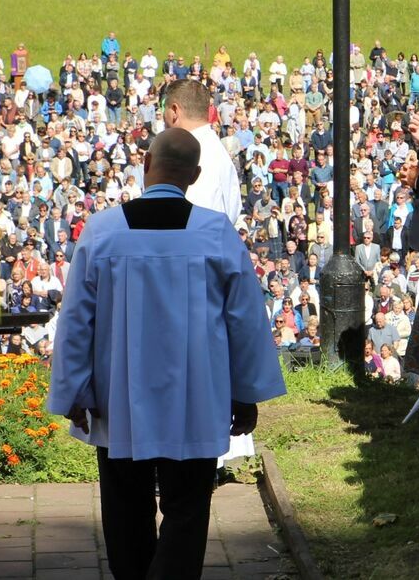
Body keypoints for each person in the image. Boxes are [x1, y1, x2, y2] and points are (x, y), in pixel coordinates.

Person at [47, 128, 286, 580]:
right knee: (188, 508)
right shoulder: (215, 234)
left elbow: (77, 322)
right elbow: (246, 322)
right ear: (194, 176)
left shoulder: (103, 232)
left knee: (124, 506)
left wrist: (74, 392)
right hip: (194, 398)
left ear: (145, 165)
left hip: (119, 398)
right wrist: (245, 394)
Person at [161, 79, 243, 224]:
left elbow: (190, 218)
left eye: (163, 108)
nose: (163, 117)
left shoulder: (193, 155)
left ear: (174, 110)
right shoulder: (214, 149)